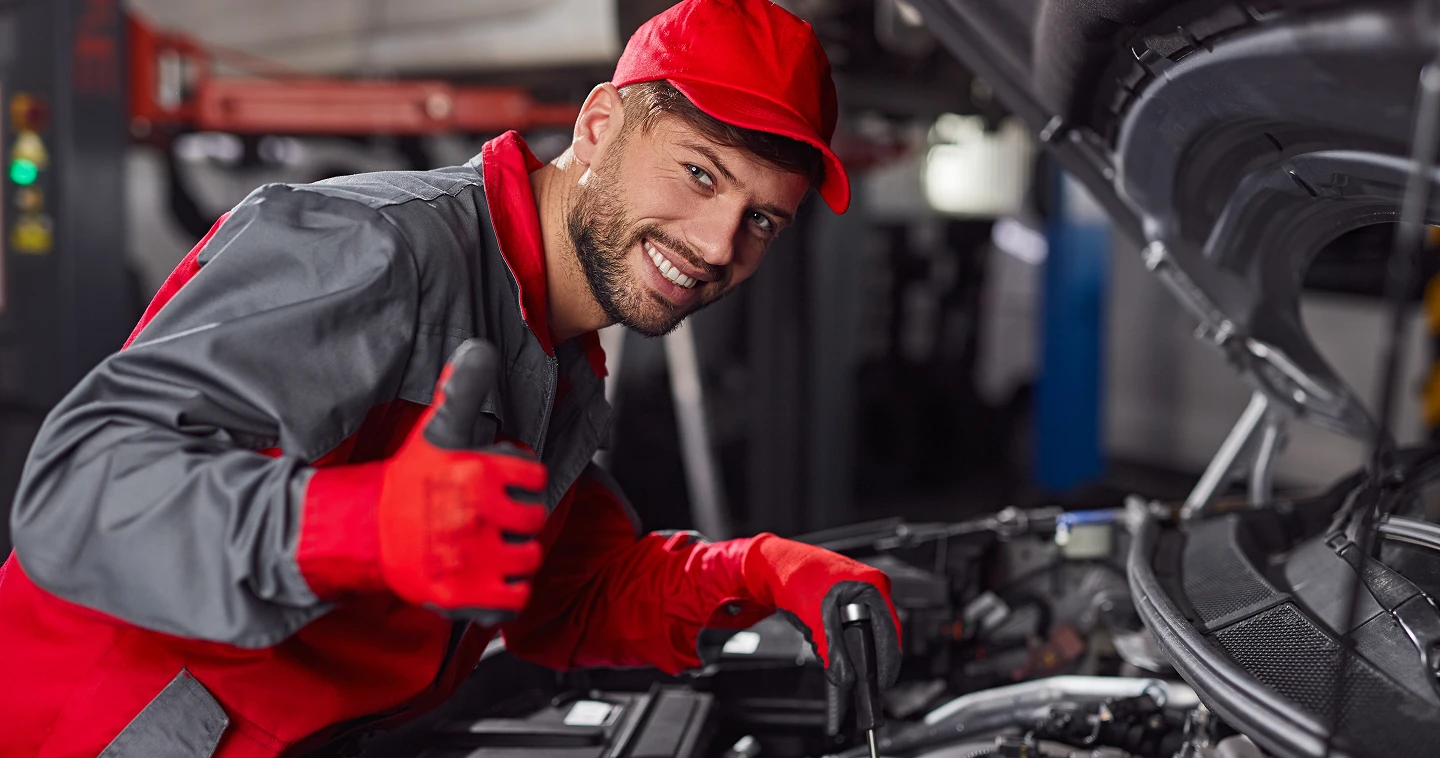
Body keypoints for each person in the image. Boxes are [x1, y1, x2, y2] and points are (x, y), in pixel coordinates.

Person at [0, 1, 901, 755]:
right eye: (699, 173)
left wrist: (759, 573)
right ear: (598, 126)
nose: (716, 246)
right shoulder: (381, 249)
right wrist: (370, 524)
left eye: (761, 223)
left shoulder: (556, 355)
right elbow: (81, 488)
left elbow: (563, 597)